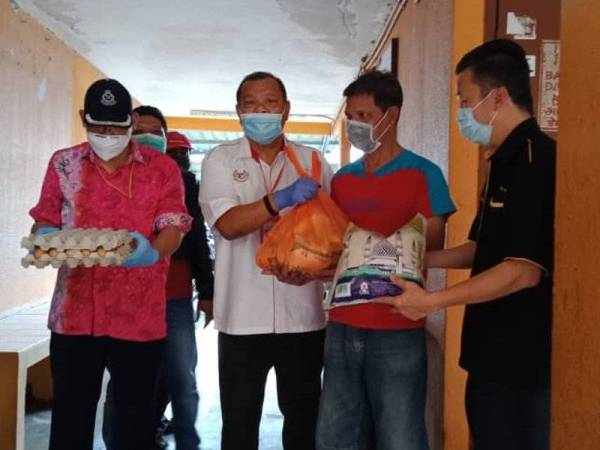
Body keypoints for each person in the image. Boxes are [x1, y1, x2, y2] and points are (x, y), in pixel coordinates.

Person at [375, 39, 555, 450]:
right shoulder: (501, 160)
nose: (461, 111)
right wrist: (411, 258)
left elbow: (522, 270)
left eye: (464, 98)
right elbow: (481, 248)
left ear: (498, 97)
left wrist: (432, 301)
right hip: (488, 354)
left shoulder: (535, 161)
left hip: (520, 361)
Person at [29, 79, 190, 450]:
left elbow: (174, 225)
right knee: (70, 417)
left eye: (117, 127)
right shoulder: (64, 163)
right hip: (74, 315)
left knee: (134, 420)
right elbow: (44, 218)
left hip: (138, 318)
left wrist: (151, 250)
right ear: (84, 119)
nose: (107, 135)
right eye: (98, 126)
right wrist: (48, 236)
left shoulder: (160, 169)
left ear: (131, 121)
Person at [315, 70, 455, 450]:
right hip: (342, 325)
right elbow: (334, 249)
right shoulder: (342, 179)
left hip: (398, 326)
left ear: (390, 115)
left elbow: (431, 245)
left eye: (363, 116)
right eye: (350, 117)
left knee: (401, 436)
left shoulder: (424, 174)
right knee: (335, 435)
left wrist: (386, 252)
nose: (354, 125)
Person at [199, 71, 334, 450]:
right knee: (240, 426)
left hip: (303, 315)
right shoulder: (221, 161)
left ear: (286, 110)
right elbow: (227, 224)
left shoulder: (312, 162)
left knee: (304, 422)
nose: (261, 111)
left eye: (270, 103)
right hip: (241, 318)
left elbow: (336, 231)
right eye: (251, 104)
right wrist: (280, 199)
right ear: (238, 111)